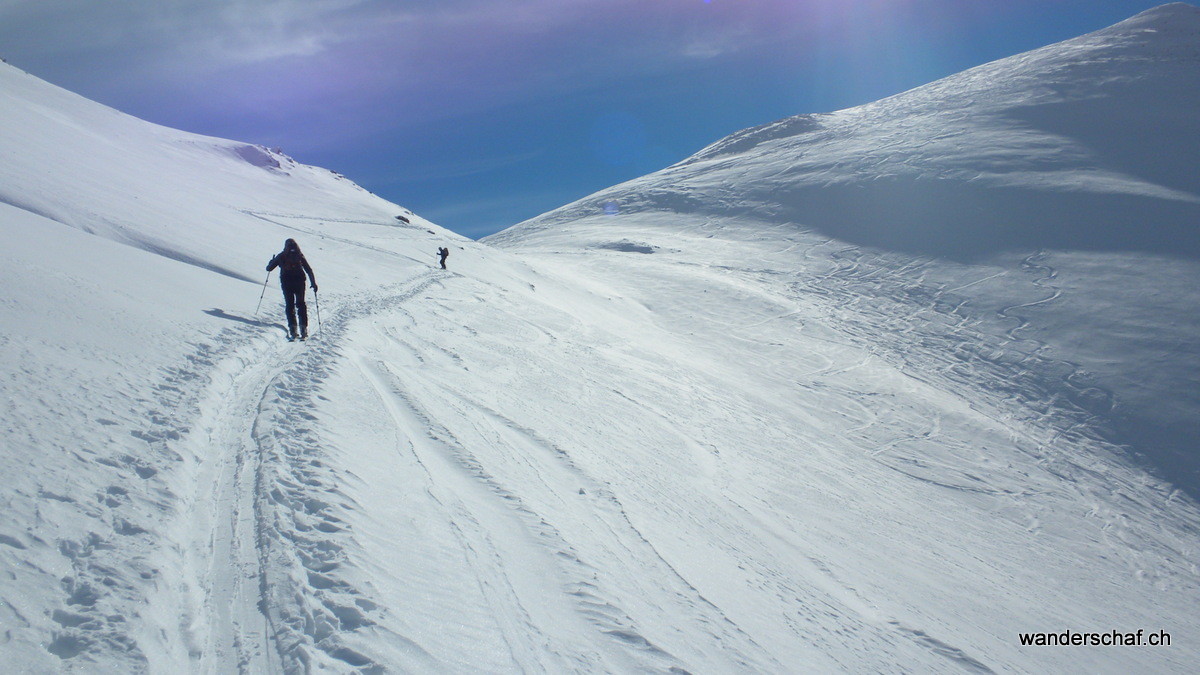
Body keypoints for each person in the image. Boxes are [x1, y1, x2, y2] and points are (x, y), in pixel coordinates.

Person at [266, 238, 317, 340]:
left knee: (290, 305)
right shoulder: (299, 255)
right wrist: (313, 283)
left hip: (286, 283)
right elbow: (308, 269)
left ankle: (293, 330)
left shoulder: (282, 255)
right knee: (301, 304)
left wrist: (271, 261)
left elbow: (269, 268)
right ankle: (303, 329)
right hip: (300, 283)